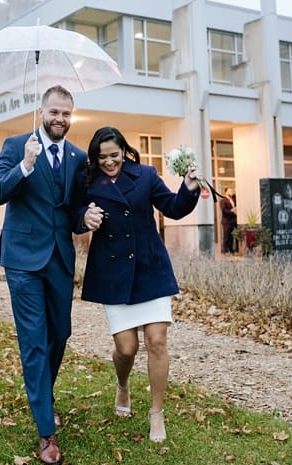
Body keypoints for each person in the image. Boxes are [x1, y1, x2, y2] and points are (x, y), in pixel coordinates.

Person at [0, 85, 101, 465]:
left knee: (60, 333)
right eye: (54, 112)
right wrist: (25, 166)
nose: (60, 119)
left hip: (59, 259)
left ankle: (42, 395)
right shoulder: (16, 145)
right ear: (42, 112)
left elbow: (73, 210)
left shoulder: (78, 157)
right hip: (22, 260)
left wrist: (85, 218)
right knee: (34, 340)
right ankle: (45, 431)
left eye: (66, 113)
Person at [74, 126, 200, 442]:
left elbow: (173, 207)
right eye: (102, 157)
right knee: (126, 347)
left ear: (124, 151)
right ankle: (122, 384)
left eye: (114, 155)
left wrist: (188, 188)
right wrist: (84, 217)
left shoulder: (145, 175)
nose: (109, 162)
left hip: (149, 268)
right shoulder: (87, 180)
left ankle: (156, 413)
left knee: (157, 342)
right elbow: (72, 212)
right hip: (112, 272)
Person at [219, 187, 238, 254]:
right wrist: (232, 211)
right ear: (226, 192)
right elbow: (224, 210)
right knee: (226, 236)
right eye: (229, 191)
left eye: (231, 191)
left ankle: (231, 249)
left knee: (232, 236)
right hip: (226, 221)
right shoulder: (223, 200)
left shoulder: (233, 199)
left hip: (233, 221)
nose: (231, 192)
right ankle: (225, 250)